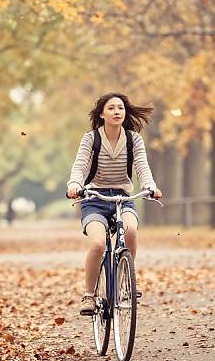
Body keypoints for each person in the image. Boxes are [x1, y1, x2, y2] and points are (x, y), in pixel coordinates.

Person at [66, 92, 163, 316]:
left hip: (122, 198)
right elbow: (80, 166)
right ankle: (89, 295)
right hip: (94, 199)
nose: (117, 111)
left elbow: (142, 167)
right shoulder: (91, 138)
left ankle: (124, 283)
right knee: (98, 244)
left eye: (120, 107)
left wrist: (150, 186)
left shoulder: (133, 139)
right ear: (102, 114)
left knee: (130, 231)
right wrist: (74, 184)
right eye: (111, 108)